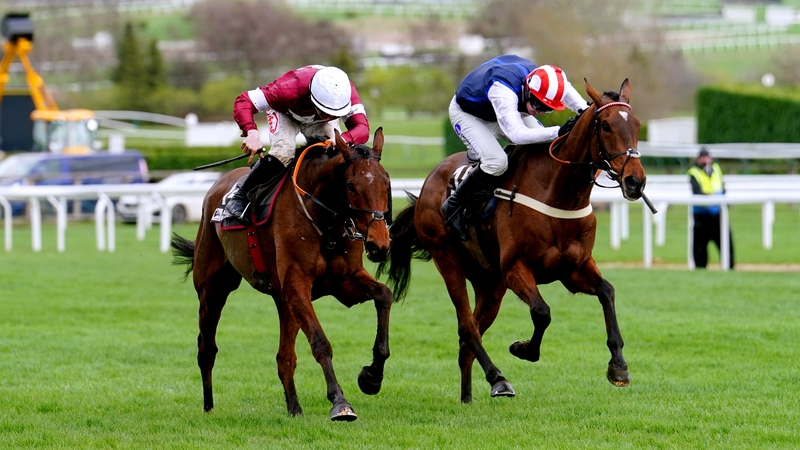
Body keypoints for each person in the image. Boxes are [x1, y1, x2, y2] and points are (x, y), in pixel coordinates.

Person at [442, 54, 590, 240]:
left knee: (547, 146)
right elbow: (517, 135)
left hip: (501, 109)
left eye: (547, 108)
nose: (540, 111)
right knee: (497, 162)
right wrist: (558, 131)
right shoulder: (502, 91)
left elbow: (574, 99)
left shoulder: (546, 80)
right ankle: (453, 205)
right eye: (537, 104)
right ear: (527, 90)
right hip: (469, 115)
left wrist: (586, 111)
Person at [228, 65, 369, 224]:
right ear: (311, 97)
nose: (330, 115)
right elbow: (244, 100)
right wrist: (251, 132)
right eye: (326, 111)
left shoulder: (345, 92)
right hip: (286, 113)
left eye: (335, 113)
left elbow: (362, 129)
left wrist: (342, 139)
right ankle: (239, 196)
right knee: (283, 153)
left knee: (340, 155)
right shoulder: (286, 90)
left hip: (317, 120)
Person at [688, 147, 734, 269]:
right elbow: (696, 191)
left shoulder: (716, 169)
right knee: (699, 246)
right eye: (702, 157)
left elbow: (722, 187)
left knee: (726, 243)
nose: (705, 159)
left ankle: (729, 267)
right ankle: (700, 269)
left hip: (717, 213)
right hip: (701, 214)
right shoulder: (694, 172)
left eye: (706, 156)